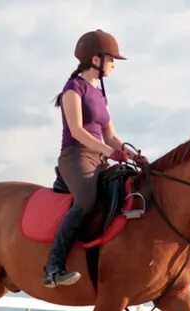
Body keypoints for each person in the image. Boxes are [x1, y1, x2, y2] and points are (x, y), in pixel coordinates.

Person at [43, 29, 139, 287]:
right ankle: (53, 266)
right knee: (86, 201)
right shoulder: (72, 89)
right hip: (76, 156)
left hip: (100, 157)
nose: (113, 65)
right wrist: (111, 153)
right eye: (111, 60)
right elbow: (77, 131)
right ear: (95, 60)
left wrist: (131, 154)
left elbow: (110, 134)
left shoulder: (100, 93)